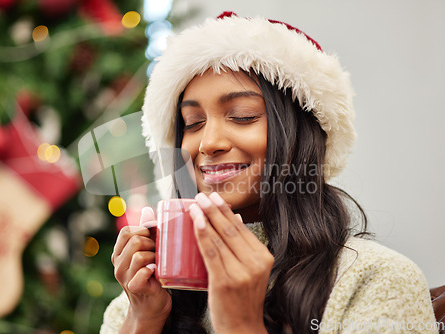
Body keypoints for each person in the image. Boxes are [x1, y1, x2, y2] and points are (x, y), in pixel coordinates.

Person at [101, 12, 437, 333]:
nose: (208, 143)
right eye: (193, 123)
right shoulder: (138, 301)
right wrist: (143, 319)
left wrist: (241, 324)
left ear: (300, 135)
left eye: (243, 115)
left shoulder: (376, 280)